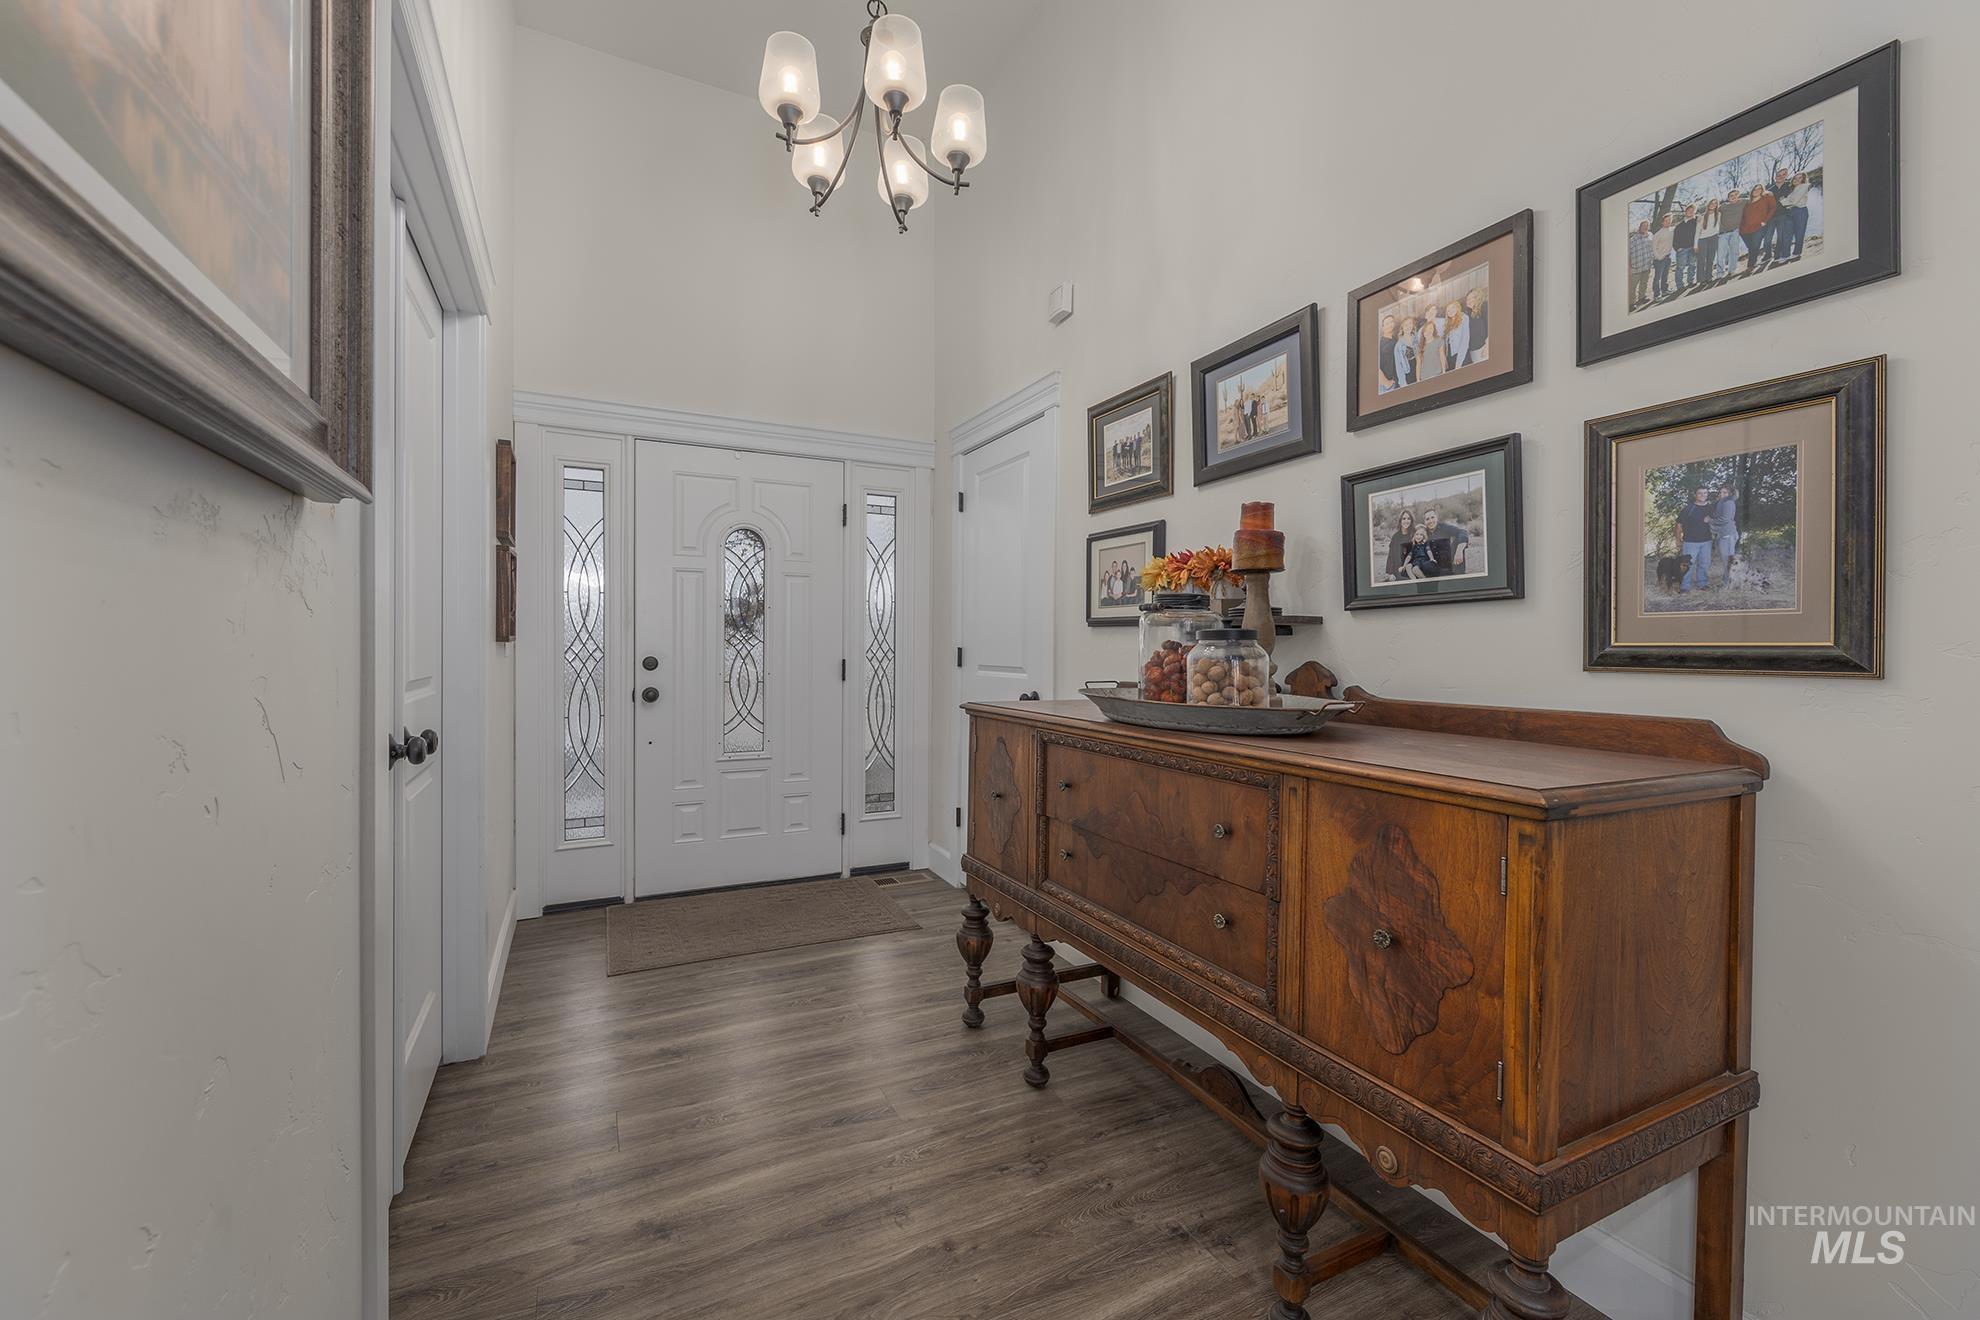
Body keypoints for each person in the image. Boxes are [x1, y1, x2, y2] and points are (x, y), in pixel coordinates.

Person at [1677, 487, 1715, 593]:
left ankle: (1702, 584)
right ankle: (1684, 587)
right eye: (1700, 493)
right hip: (1690, 542)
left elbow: (1719, 521)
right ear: (1696, 495)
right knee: (1687, 565)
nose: (1702, 495)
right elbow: (1679, 525)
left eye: (1705, 493)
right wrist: (1678, 540)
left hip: (1706, 541)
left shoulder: (1711, 508)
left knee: (1704, 564)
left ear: (1707, 494)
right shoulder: (1688, 508)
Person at [1739, 184, 1777, 277]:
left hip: (1758, 227)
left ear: (1762, 190)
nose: (1756, 190)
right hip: (1744, 230)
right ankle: (1754, 262)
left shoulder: (1766, 197)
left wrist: (1765, 220)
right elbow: (1743, 216)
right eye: (1755, 189)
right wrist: (1740, 228)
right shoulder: (1748, 203)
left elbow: (1773, 208)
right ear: (1752, 191)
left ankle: (1751, 266)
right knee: (1751, 247)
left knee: (1755, 246)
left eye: (1759, 189)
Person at [1422, 507, 1470, 575]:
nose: (1430, 521)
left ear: (1437, 518)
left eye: (1432, 517)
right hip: (1434, 565)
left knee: (1458, 541)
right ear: (1424, 522)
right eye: (1427, 519)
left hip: (1449, 563)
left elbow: (1462, 532)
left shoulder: (1444, 527)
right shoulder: (1423, 532)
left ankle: (1460, 577)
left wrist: (1459, 550)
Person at [1779, 171, 1812, 262]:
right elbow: (1790, 201)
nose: (1796, 179)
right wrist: (1786, 201)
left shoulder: (1805, 186)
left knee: (1799, 234)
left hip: (1800, 211)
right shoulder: (1793, 189)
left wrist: (1783, 200)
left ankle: (1797, 253)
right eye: (1795, 178)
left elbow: (1794, 201)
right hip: (1790, 212)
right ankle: (1785, 255)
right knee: (1787, 234)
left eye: (1800, 178)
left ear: (1803, 179)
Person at [1710, 485, 1740, 583]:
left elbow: (1724, 519)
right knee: (1726, 560)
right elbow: (1716, 514)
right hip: (1724, 534)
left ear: (1730, 494)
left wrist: (1709, 520)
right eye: (1720, 492)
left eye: (1725, 492)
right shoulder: (1722, 503)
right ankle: (1728, 581)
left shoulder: (1729, 503)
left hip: (1727, 535)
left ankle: (1728, 583)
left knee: (1728, 561)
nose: (1721, 494)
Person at [1717, 189, 1749, 281]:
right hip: (1722, 233)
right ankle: (1720, 272)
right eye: (1731, 195)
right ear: (1728, 198)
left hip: (1735, 231)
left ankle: (1732, 270)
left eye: (1735, 195)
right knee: (1720, 254)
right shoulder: (1723, 206)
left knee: (1734, 252)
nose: (1733, 197)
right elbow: (1712, 211)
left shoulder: (1743, 202)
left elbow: (1755, 198)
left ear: (1738, 196)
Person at [1382, 509, 1418, 580]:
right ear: (1400, 521)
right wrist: (1390, 573)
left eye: (1408, 519)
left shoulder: (1415, 534)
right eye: (1404, 518)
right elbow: (1391, 556)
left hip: (1411, 569)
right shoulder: (1395, 537)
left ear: (1411, 521)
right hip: (1397, 571)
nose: (1406, 521)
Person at [1672, 204, 1700, 294]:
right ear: (1686, 211)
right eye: (1689, 210)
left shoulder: (1697, 222)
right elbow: (1675, 239)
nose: (1691, 212)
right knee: (1680, 267)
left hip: (1693, 247)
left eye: (1693, 210)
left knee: (1692, 265)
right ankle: (1680, 285)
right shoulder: (1679, 226)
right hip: (1682, 249)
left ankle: (1690, 282)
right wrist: (1677, 248)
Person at [1695, 200, 1722, 293]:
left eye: (1715, 203)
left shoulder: (1718, 215)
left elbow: (1719, 226)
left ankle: (1709, 277)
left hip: (1713, 238)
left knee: (1710, 259)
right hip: (1703, 239)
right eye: (1711, 203)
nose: (1713, 205)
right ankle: (1701, 279)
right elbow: (1697, 232)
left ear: (1717, 205)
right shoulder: (1702, 217)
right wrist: (1695, 245)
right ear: (1708, 205)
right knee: (1701, 260)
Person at [1627, 220, 1654, 310]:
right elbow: (1628, 254)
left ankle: (1642, 297)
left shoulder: (1650, 236)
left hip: (1646, 265)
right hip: (1636, 267)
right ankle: (1631, 303)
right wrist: (1629, 266)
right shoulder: (1633, 239)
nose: (1645, 227)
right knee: (1632, 286)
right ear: (1640, 227)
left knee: (1644, 283)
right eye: (1643, 225)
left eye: (1647, 225)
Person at [1415, 308, 1446, 384]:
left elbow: (1442, 356)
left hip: (1437, 374)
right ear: (1423, 332)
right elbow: (1418, 364)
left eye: (1431, 329)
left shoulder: (1439, 341)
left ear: (1433, 330)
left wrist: (1444, 371)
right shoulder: (1419, 347)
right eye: (1426, 330)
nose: (1428, 331)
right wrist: (1418, 379)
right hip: (1424, 377)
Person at [1651, 213, 1676, 301]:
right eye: (1666, 221)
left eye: (1669, 220)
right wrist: (1658, 257)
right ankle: (1656, 295)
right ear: (1662, 222)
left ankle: (1664, 290)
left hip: (1668, 257)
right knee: (1657, 277)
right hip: (1659, 259)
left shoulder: (1671, 231)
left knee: (1665, 276)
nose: (1668, 222)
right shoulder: (1658, 234)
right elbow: (1653, 247)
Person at [1443, 300, 1470, 374]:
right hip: (1450, 357)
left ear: (1457, 308)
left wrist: (1458, 363)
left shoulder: (1464, 318)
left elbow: (1465, 341)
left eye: (1452, 308)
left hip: (1461, 355)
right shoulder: (1447, 323)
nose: (1450, 311)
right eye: (1448, 310)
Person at [1464, 288, 1489, 363]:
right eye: (1468, 299)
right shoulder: (1468, 314)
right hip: (1473, 351)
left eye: (1473, 298)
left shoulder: (1484, 306)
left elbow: (1491, 325)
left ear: (1478, 297)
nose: (1470, 301)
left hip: (1483, 347)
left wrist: (1488, 346)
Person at [1393, 317, 1417, 388]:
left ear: (1413, 325)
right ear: (1402, 328)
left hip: (1420, 368)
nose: (1408, 326)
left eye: (1410, 324)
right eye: (1406, 325)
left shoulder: (1416, 337)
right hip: (1409, 371)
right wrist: (1403, 383)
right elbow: (1399, 367)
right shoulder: (1398, 346)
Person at [1377, 314, 1399, 393]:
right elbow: (1375, 366)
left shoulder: (1395, 339)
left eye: (1391, 322)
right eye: (1387, 323)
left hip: (1397, 380)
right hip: (1388, 384)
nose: (1390, 325)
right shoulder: (1380, 344)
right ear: (1382, 327)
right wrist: (1386, 382)